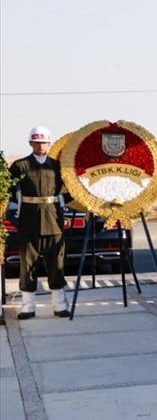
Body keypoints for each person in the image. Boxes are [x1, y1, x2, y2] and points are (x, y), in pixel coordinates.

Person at [8, 126, 68, 319]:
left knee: (56, 264)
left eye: (43, 142)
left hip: (53, 220)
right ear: (31, 143)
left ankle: (59, 305)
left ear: (49, 143)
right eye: (36, 142)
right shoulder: (20, 165)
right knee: (27, 265)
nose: (40, 145)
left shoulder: (58, 166)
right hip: (29, 220)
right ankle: (28, 307)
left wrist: (62, 207)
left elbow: (70, 190)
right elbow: (8, 190)